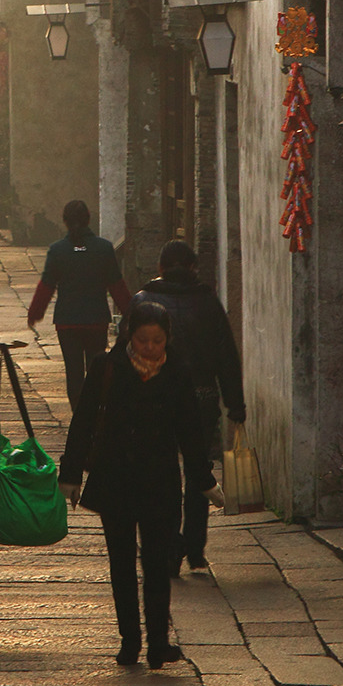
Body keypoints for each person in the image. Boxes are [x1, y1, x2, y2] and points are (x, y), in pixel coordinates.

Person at [59, 301, 219, 669]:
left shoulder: (178, 372)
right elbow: (83, 422)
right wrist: (70, 475)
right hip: (115, 480)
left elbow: (190, 432)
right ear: (130, 336)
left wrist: (204, 479)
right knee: (121, 564)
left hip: (160, 482)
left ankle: (159, 642)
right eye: (143, 340)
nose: (150, 347)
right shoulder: (106, 368)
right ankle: (129, 640)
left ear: (167, 340)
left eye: (157, 341)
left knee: (158, 563)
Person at [134, 239, 246, 574]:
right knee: (199, 471)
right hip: (201, 398)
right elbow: (227, 357)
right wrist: (235, 403)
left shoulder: (143, 302)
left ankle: (169, 544)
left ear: (160, 268)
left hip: (154, 400)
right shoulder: (209, 303)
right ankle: (195, 547)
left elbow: (125, 357)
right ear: (194, 268)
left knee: (159, 474)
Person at [27, 200, 133, 410]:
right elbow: (117, 286)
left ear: (65, 221)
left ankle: (79, 414)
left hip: (68, 322)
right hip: (96, 320)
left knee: (73, 372)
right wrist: (132, 313)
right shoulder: (103, 248)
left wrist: (35, 313)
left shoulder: (57, 250)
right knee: (97, 369)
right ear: (88, 219)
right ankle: (95, 412)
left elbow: (46, 286)